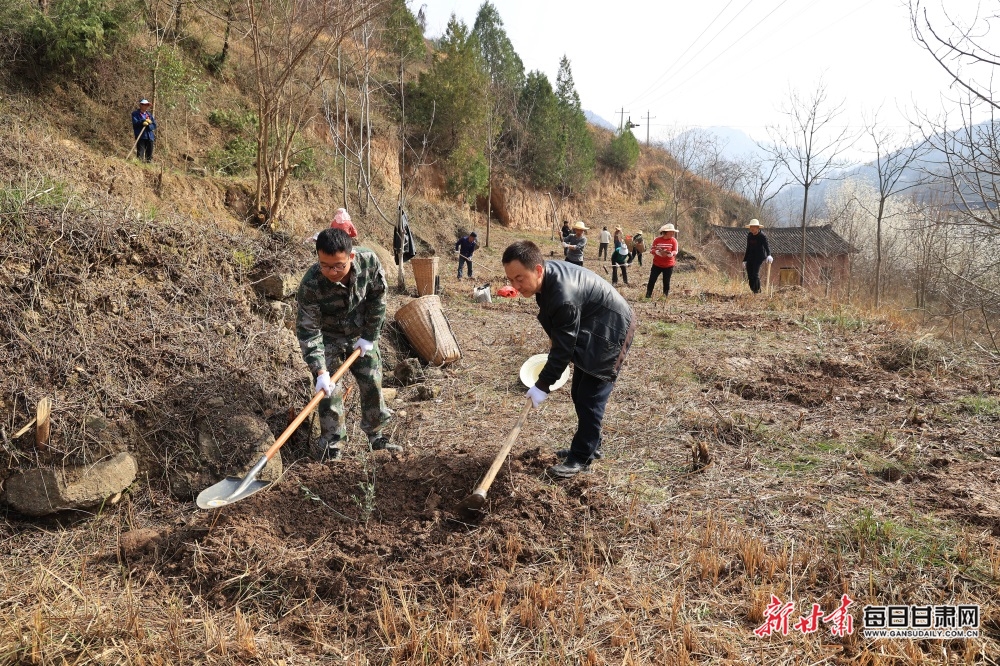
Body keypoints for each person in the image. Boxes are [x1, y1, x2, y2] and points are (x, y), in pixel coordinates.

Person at [502, 240, 635, 477]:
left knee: (590, 395)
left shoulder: (563, 294)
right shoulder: (545, 281)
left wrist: (543, 385)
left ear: (538, 270)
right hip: (592, 323)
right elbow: (562, 337)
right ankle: (592, 444)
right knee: (579, 392)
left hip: (611, 329)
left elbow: (563, 348)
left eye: (519, 278)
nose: (515, 285)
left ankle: (581, 457)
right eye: (510, 279)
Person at [296, 228, 400, 461]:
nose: (332, 272)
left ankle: (377, 436)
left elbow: (378, 298)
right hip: (329, 337)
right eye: (325, 265)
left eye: (338, 266)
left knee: (372, 380)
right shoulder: (311, 283)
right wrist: (319, 369)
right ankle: (332, 446)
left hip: (360, 334)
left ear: (350, 257)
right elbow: (308, 329)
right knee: (329, 391)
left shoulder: (369, 262)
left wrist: (370, 336)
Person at [646, 224, 678, 299]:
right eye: (671, 232)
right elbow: (652, 250)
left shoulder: (674, 240)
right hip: (657, 264)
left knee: (666, 282)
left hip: (668, 265)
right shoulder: (657, 240)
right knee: (652, 280)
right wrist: (657, 252)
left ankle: (665, 297)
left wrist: (671, 254)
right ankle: (648, 296)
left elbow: (675, 250)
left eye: (673, 232)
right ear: (666, 232)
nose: (673, 234)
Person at [743, 219, 773, 294]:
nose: (752, 228)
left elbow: (766, 246)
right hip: (751, 256)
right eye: (751, 227)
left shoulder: (762, 236)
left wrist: (769, 255)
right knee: (749, 274)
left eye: (753, 227)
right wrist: (745, 260)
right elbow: (748, 248)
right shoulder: (749, 236)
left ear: (757, 227)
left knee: (755, 274)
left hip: (759, 257)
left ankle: (758, 291)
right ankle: (753, 290)